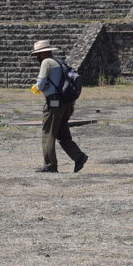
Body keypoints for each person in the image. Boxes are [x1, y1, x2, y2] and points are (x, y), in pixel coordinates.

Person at [31, 39, 88, 174]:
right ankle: (79, 157)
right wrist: (72, 104)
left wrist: (39, 87)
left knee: (48, 134)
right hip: (66, 103)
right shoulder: (60, 62)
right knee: (63, 134)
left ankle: (50, 165)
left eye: (38, 55)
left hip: (54, 104)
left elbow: (40, 84)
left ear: (42, 54)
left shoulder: (46, 62)